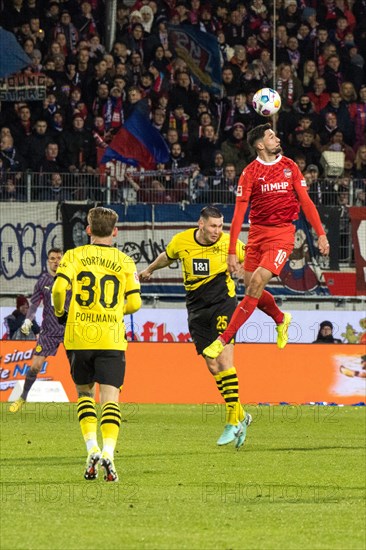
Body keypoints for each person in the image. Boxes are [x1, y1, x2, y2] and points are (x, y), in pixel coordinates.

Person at [203, 123, 330, 359]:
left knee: (256, 283)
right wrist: (232, 251)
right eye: (272, 136)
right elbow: (239, 213)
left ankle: (223, 339)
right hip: (257, 234)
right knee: (253, 287)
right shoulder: (249, 173)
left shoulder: (290, 167)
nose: (277, 139)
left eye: (276, 135)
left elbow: (306, 202)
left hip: (282, 234)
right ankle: (281, 319)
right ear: (261, 145)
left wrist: (321, 234)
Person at [139, 206, 252, 449]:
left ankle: (232, 421)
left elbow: (251, 259)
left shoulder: (230, 244)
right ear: (201, 224)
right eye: (213, 226)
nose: (217, 231)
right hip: (196, 308)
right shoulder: (182, 241)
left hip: (223, 303)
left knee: (224, 360)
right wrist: (149, 270)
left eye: (221, 226)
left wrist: (245, 271)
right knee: (213, 367)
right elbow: (167, 257)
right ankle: (241, 413)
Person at [52, 207, 141, 482]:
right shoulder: (125, 261)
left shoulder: (73, 256)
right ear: (115, 232)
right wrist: (115, 311)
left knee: (84, 394)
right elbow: (135, 303)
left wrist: (59, 313)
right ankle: (109, 453)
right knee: (110, 398)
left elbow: (58, 290)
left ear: (88, 230)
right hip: (111, 336)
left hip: (79, 335)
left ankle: (91, 448)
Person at [8, 249, 66, 413]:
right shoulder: (43, 281)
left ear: (63, 260)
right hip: (48, 331)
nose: (56, 261)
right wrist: (28, 319)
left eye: (59, 258)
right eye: (52, 259)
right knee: (35, 366)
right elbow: (33, 305)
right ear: (48, 261)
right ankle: (23, 398)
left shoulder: (71, 279)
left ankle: (86, 403)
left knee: (79, 368)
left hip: (69, 329)